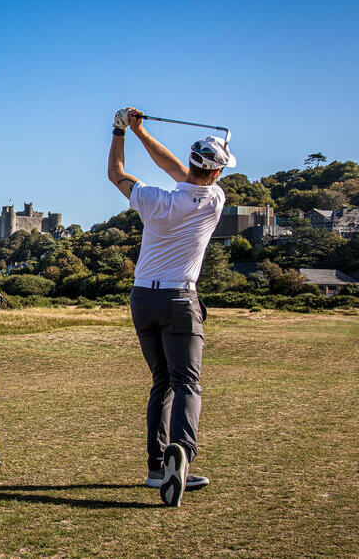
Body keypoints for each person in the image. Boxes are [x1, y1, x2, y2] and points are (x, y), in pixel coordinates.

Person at [106, 107, 235, 506]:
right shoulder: (214, 198)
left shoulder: (151, 198)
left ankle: (156, 468)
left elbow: (117, 173)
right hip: (181, 298)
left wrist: (124, 131)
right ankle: (181, 453)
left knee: (161, 382)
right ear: (215, 172)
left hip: (142, 297)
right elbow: (184, 172)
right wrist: (140, 133)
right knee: (187, 383)